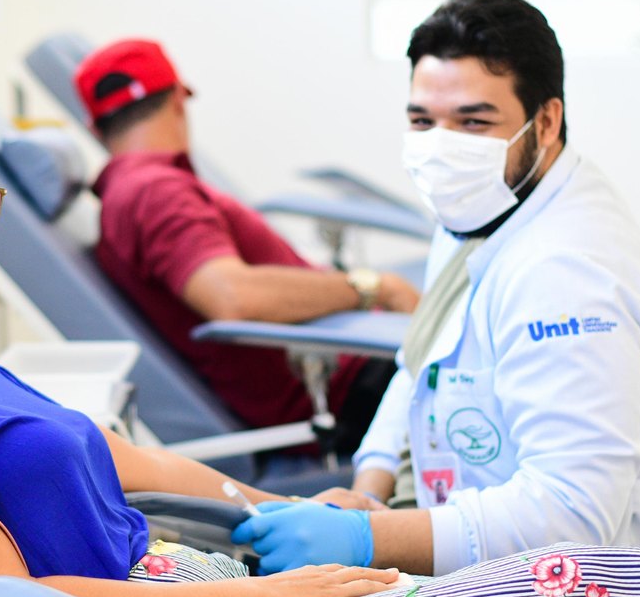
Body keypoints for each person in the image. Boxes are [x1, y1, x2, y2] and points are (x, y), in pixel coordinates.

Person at [0, 79, 640, 597]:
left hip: (203, 577)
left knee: (610, 580)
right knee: (583, 584)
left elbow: (118, 456)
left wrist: (274, 507)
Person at [231, 0, 640, 578]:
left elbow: (573, 517)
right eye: (422, 121)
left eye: (474, 122)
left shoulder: (567, 270)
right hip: (474, 541)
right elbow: (419, 364)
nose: (442, 147)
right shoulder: (480, 209)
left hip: (578, 582)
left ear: (548, 120)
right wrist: (370, 488)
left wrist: (368, 537)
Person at [73, 39, 420, 453]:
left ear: (96, 129)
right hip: (352, 388)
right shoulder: (156, 192)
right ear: (179, 100)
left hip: (346, 359)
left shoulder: (134, 189)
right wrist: (374, 287)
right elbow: (232, 296)